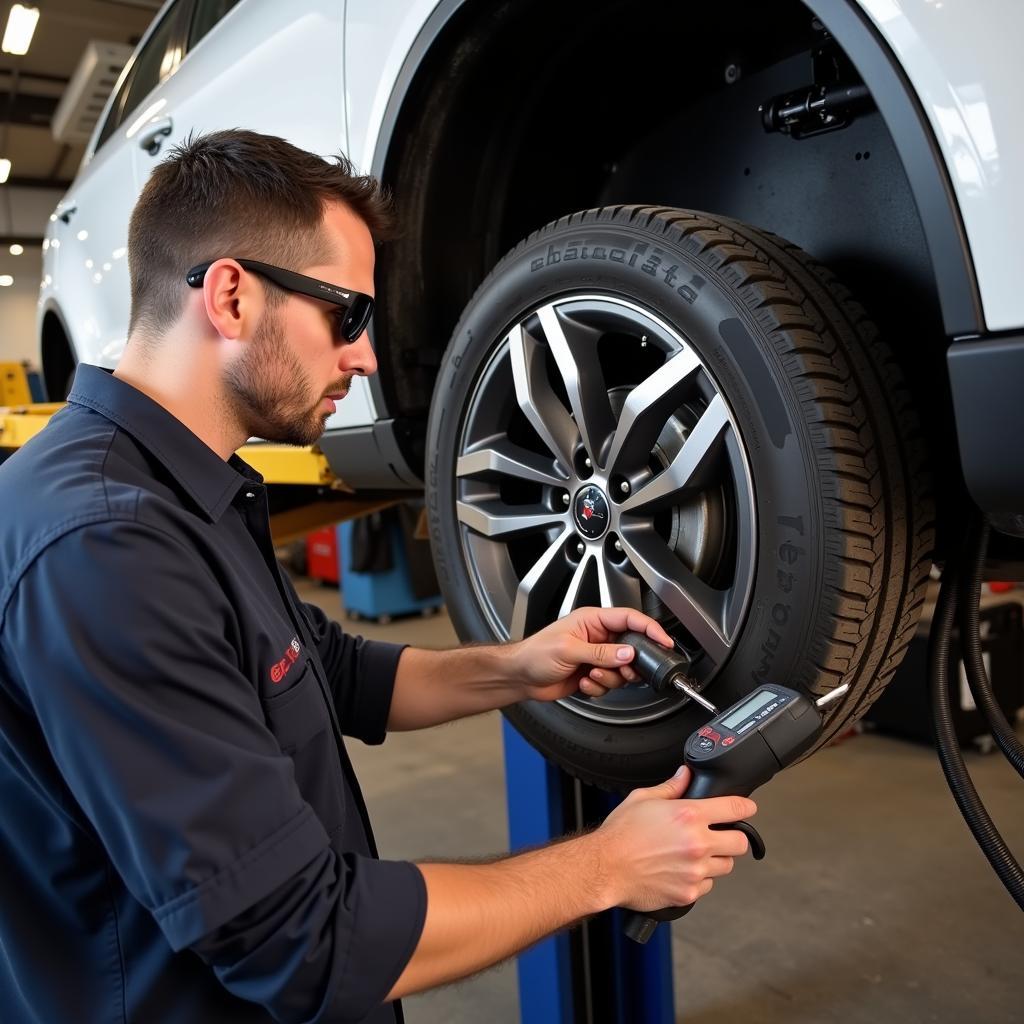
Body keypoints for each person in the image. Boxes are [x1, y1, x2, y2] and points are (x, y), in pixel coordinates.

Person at [0, 130, 756, 1024]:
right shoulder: (106, 548)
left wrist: (521, 665)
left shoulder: (174, 485)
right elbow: (300, 941)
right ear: (232, 296)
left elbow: (334, 672)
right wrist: (606, 866)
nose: (364, 358)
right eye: (346, 316)